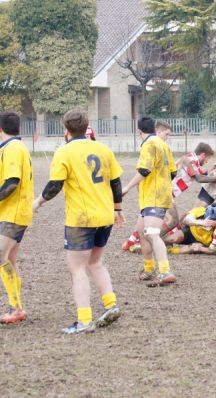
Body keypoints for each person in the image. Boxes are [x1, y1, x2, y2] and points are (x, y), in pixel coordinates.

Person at [33, 108, 124, 334]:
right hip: (105, 216)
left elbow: (55, 185)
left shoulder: (64, 152)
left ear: (66, 130)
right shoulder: (103, 149)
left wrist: (37, 203)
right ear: (86, 127)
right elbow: (116, 183)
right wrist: (118, 209)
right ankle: (111, 305)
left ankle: (84, 320)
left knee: (77, 269)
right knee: (95, 263)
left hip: (81, 219)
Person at [121, 142, 216, 251]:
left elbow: (200, 174)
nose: (207, 161)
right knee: (173, 221)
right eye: (208, 159)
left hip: (162, 191)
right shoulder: (189, 160)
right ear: (203, 155)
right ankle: (146, 242)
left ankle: (130, 242)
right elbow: (199, 178)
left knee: (157, 220)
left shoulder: (191, 160)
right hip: (163, 191)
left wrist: (212, 171)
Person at [122, 116, 177, 285]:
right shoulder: (163, 145)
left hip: (154, 196)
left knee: (151, 233)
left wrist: (126, 188)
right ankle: (148, 269)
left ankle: (165, 271)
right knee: (141, 232)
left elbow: (144, 170)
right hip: (151, 197)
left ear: (139, 132)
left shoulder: (149, 144)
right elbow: (173, 172)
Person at [0, 112, 33, 324]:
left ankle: (15, 307)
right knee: (9, 259)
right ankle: (17, 306)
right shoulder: (15, 147)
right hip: (12, 212)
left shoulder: (12, 148)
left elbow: (12, 182)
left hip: (14, 212)